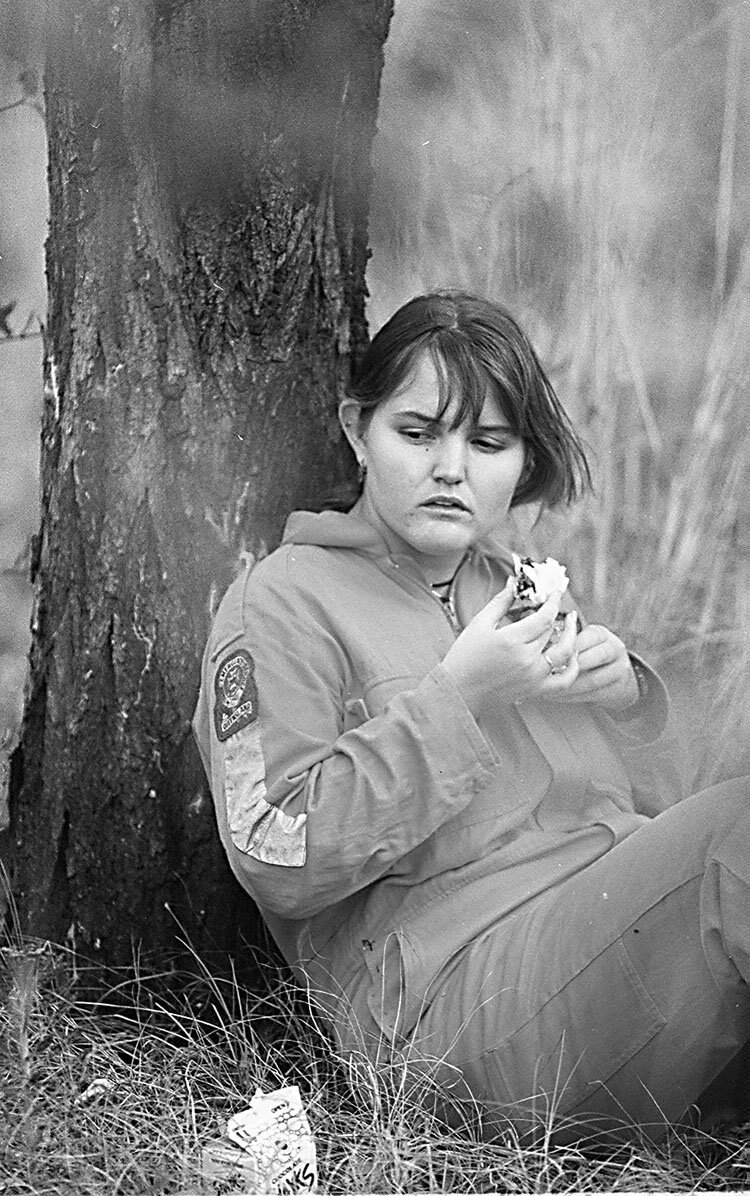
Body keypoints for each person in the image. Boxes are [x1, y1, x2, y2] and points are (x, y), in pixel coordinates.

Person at [192, 291, 750, 1142]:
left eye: (488, 443)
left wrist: (631, 701)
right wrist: (460, 699)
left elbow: (668, 832)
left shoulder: (516, 589)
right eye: (417, 434)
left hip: (616, 946)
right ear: (357, 431)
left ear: (522, 462)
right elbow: (275, 851)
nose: (450, 468)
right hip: (460, 1006)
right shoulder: (281, 604)